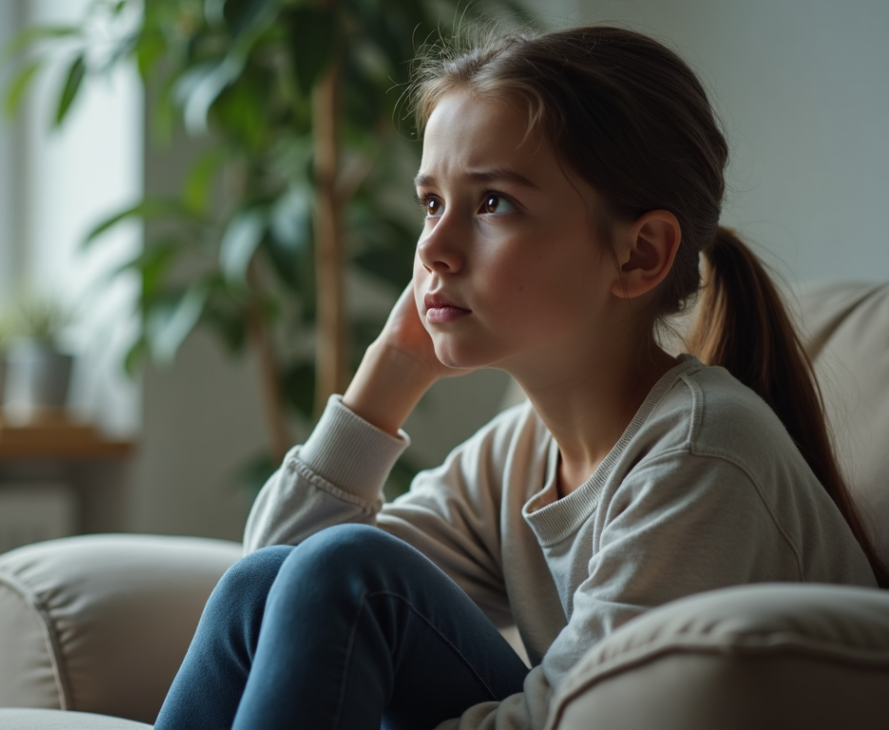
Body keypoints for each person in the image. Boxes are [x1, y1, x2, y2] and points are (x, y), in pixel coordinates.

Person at [154, 24, 885, 730]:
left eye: (493, 203)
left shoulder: (698, 455)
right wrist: (390, 375)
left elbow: (585, 720)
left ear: (639, 255)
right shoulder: (517, 455)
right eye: (431, 203)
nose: (433, 247)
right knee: (288, 577)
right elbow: (273, 582)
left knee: (352, 571)